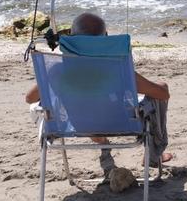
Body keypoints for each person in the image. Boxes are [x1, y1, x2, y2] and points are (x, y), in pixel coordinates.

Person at [25, 12, 172, 176]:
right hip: (118, 123)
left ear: (73, 39)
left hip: (79, 125)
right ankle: (152, 155)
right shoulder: (117, 69)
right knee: (160, 89)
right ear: (105, 40)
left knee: (82, 107)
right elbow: (162, 94)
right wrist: (161, 87)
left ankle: (104, 145)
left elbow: (30, 98)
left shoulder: (57, 71)